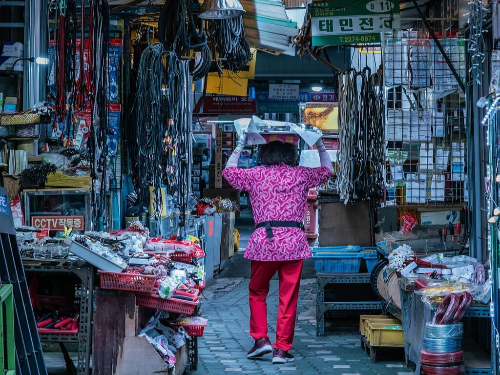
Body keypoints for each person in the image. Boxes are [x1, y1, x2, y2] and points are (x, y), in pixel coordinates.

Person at [222, 132, 333, 364]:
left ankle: (261, 340)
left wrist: (240, 144)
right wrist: (320, 144)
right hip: (294, 242)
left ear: (264, 154)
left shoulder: (255, 175)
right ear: (292, 155)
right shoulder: (301, 174)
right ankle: (281, 350)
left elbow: (228, 172)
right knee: (288, 297)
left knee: (257, 291)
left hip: (265, 242)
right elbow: (327, 170)